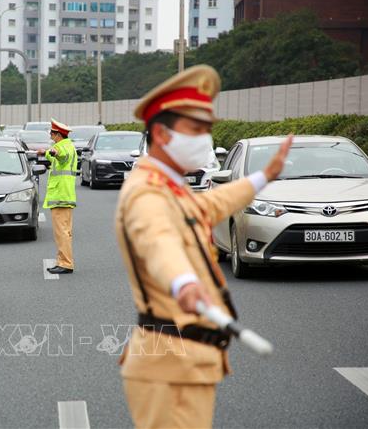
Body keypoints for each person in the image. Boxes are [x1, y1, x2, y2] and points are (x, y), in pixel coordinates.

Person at [115, 65, 292, 429]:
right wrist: (183, 282)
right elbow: (158, 240)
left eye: (207, 130)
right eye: (195, 130)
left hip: (183, 360)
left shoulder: (169, 186)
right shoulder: (146, 192)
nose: (205, 139)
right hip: (169, 364)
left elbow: (210, 206)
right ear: (162, 134)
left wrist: (263, 176)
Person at [37, 119, 78, 274]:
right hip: (65, 195)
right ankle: (63, 261)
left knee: (62, 232)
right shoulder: (68, 145)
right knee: (64, 231)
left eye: (52, 133)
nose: (50, 135)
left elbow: (61, 156)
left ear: (58, 134)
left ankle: (65, 263)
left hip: (61, 195)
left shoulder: (62, 148)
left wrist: (53, 152)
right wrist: (45, 152)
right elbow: (55, 157)